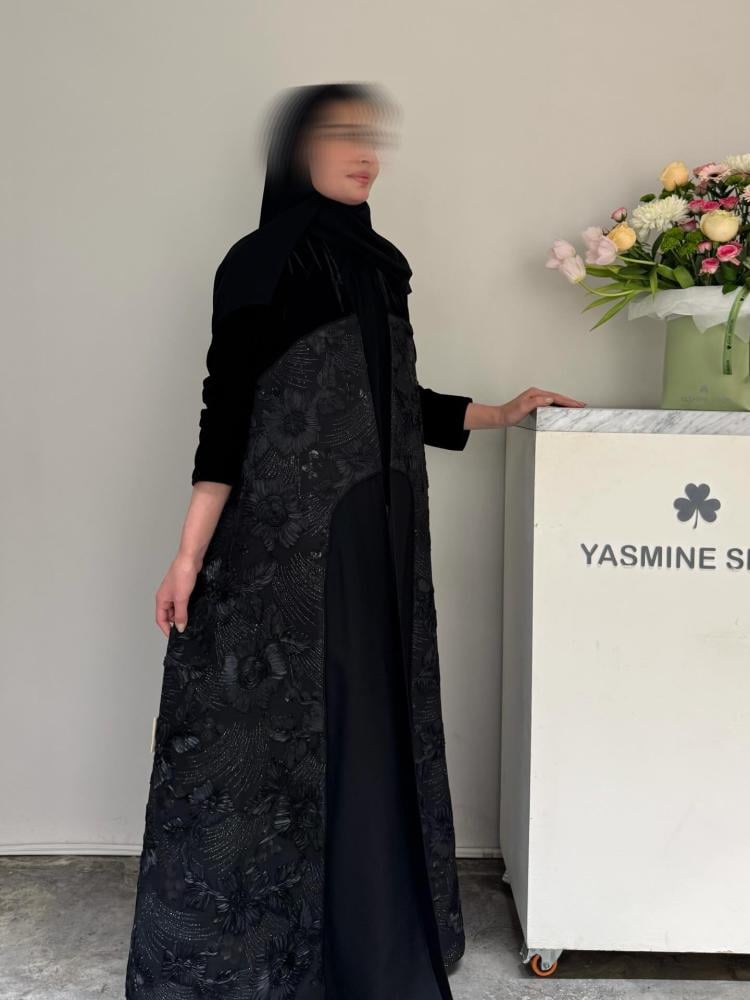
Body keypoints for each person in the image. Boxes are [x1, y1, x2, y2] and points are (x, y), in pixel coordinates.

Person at [124, 82, 585, 1000]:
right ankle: (273, 955)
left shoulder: (381, 263)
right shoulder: (259, 261)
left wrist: (499, 412)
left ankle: (369, 932)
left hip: (379, 539)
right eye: (340, 135)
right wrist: (188, 555)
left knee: (372, 721)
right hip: (288, 547)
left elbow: (387, 395)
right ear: (297, 149)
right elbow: (227, 414)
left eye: (372, 135)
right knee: (286, 738)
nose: (365, 151)